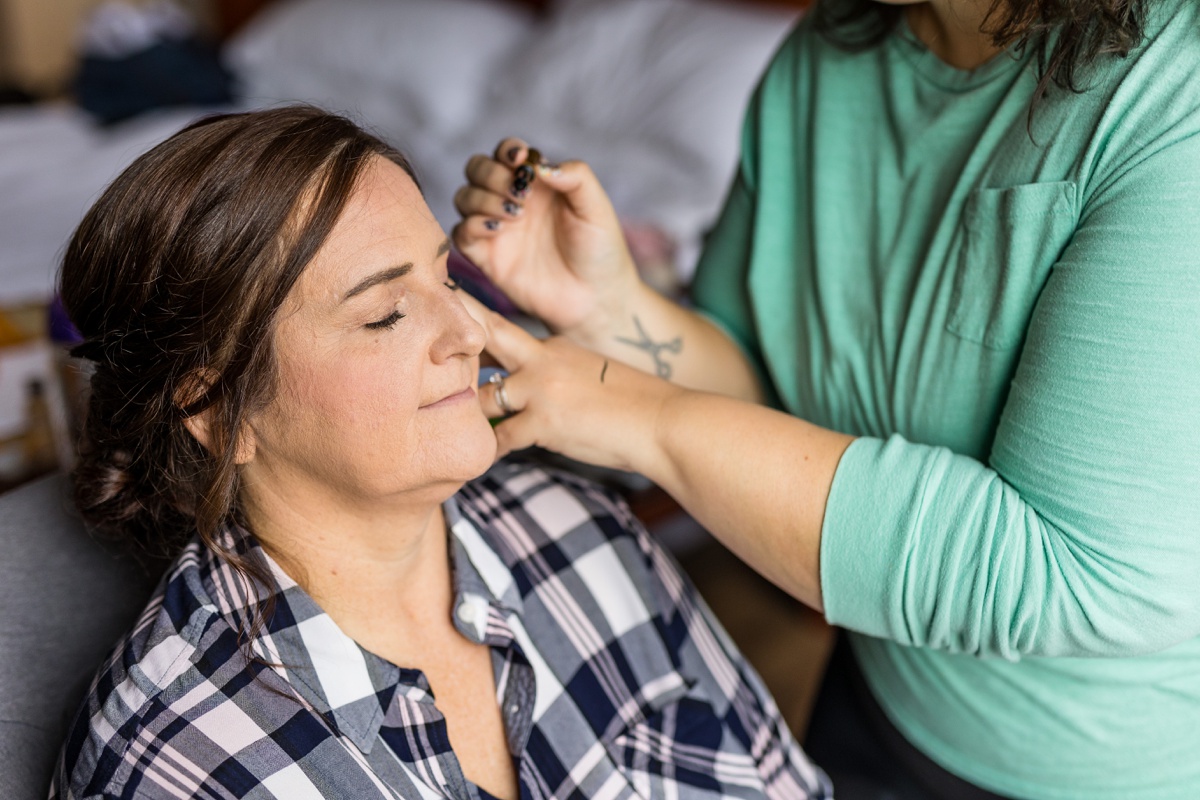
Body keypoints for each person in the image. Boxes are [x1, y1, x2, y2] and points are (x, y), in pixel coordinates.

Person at [450, 0, 1200, 797]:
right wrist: (609, 309)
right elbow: (762, 403)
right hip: (876, 689)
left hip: (1100, 768)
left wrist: (634, 415)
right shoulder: (830, 50)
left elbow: (1077, 572)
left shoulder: (1169, 105)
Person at [50, 106, 831, 800]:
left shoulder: (579, 529)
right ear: (216, 411)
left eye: (447, 276)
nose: (471, 333)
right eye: (387, 313)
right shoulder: (176, 765)